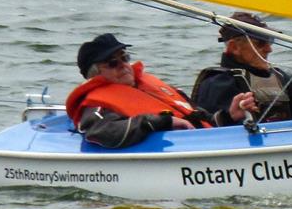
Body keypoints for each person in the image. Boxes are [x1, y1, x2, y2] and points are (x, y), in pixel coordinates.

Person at [66, 33, 255, 148]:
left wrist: (229, 115)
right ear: (96, 74)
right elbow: (103, 132)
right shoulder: (96, 105)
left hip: (200, 148)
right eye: (113, 63)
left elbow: (199, 120)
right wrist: (162, 122)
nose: (123, 65)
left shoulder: (156, 88)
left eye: (125, 58)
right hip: (175, 158)